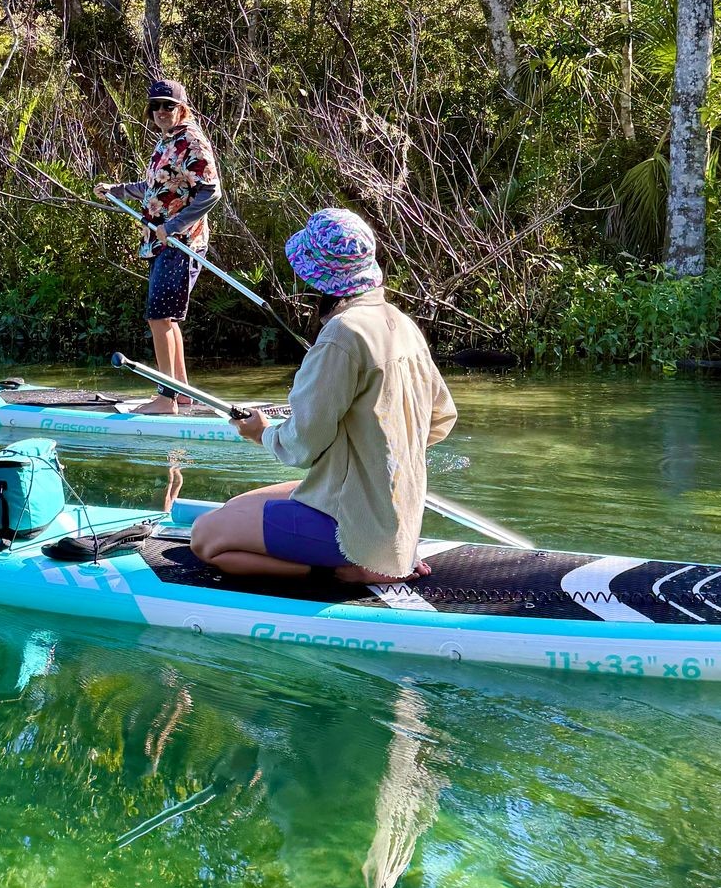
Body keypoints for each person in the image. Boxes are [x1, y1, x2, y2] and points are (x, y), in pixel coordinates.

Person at [190, 208, 457, 585]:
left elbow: (303, 444)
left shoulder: (341, 335)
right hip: (397, 518)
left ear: (320, 277)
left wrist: (262, 432)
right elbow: (441, 418)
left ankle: (345, 570)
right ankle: (379, 552)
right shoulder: (403, 324)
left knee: (205, 537)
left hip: (360, 529)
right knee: (234, 507)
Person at [95, 78, 221, 413]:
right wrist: (117, 189)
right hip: (161, 243)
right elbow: (156, 187)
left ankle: (166, 399)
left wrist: (175, 226)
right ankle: (180, 392)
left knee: (159, 318)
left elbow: (210, 192)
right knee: (166, 319)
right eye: (155, 106)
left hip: (182, 244)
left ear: (182, 107)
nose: (161, 111)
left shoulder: (191, 141)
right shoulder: (167, 141)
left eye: (168, 105)